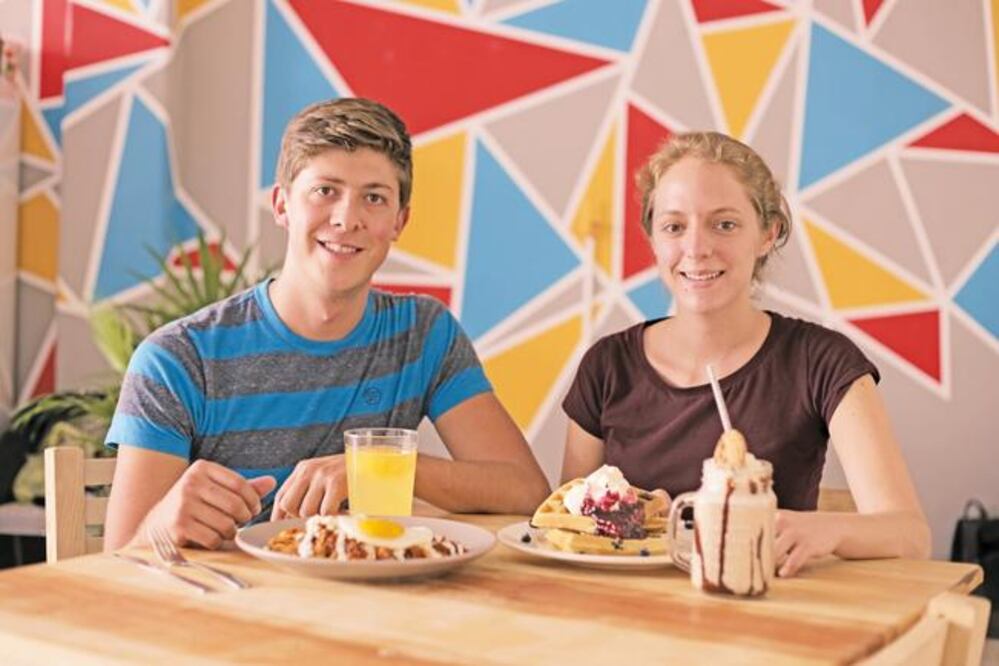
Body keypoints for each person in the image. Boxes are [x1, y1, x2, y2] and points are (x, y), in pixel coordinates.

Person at [103, 98, 550, 550]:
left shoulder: (423, 334)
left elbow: (525, 491)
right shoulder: (178, 358)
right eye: (325, 191)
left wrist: (378, 466)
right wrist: (161, 524)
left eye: (374, 198)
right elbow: (117, 564)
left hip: (368, 609)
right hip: (223, 606)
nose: (346, 219)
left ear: (399, 221)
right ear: (282, 205)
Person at [561, 131, 930, 577]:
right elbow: (568, 529)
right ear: (653, 239)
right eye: (674, 226)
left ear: (767, 234)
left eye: (725, 224)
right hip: (626, 619)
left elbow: (909, 534)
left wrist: (823, 531)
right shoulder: (607, 366)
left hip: (761, 617)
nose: (697, 248)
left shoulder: (822, 362)